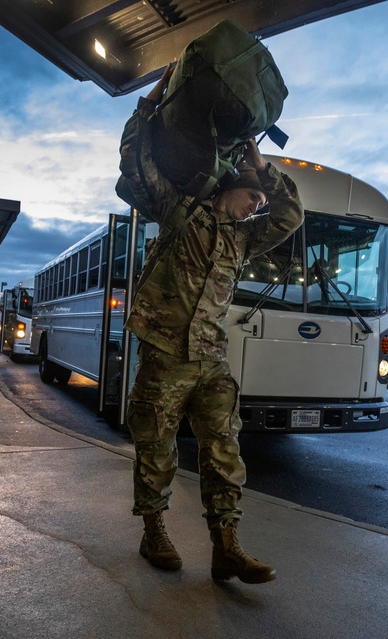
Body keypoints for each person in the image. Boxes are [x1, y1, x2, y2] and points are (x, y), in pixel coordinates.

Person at [116, 65, 304, 584]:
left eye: (259, 202)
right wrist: (146, 107)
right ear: (231, 189)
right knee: (156, 448)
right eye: (253, 198)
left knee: (224, 450)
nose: (257, 207)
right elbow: (137, 160)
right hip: (165, 353)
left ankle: (227, 546)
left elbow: (290, 216)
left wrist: (263, 167)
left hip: (211, 359)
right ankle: (154, 532)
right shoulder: (179, 214)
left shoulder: (240, 241)